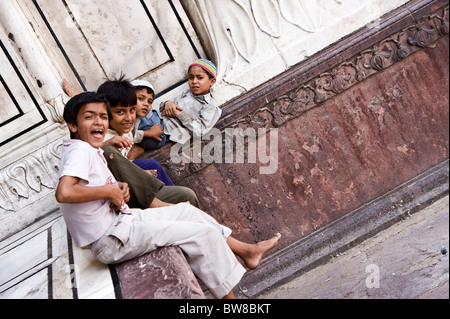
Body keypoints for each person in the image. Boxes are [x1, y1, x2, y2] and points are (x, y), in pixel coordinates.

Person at [55, 92, 281, 299]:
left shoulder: (87, 149)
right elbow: (64, 192)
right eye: (89, 117)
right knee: (200, 235)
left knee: (187, 211)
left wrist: (118, 188)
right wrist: (109, 191)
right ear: (73, 125)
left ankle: (247, 251)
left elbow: (93, 188)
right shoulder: (79, 150)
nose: (98, 122)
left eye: (103, 117)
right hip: (113, 240)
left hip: (124, 223)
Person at [62, 78, 199, 209]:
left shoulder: (125, 130)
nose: (129, 118)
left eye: (132, 110)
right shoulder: (85, 147)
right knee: (109, 151)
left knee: (183, 191)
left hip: (123, 184)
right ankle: (158, 203)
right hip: (120, 197)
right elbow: (67, 189)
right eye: (120, 112)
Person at [160, 59, 222, 144]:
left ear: (212, 81)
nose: (194, 81)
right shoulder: (186, 93)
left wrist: (180, 114)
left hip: (167, 135)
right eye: (191, 77)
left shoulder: (211, 107)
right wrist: (168, 103)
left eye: (200, 78)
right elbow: (163, 107)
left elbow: (199, 131)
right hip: (158, 122)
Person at [130, 79, 166, 152]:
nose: (146, 104)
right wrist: (147, 133)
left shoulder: (141, 116)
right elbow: (125, 136)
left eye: (150, 102)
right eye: (140, 98)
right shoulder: (123, 118)